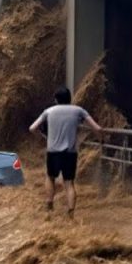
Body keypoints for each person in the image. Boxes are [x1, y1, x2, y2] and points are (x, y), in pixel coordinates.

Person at [29, 86, 103, 218]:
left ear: (56, 99)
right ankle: (70, 213)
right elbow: (97, 128)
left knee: (50, 178)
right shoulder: (78, 110)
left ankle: (50, 206)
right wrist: (101, 140)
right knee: (69, 183)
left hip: (53, 152)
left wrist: (45, 137)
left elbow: (32, 128)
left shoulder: (49, 111)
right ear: (70, 98)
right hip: (70, 153)